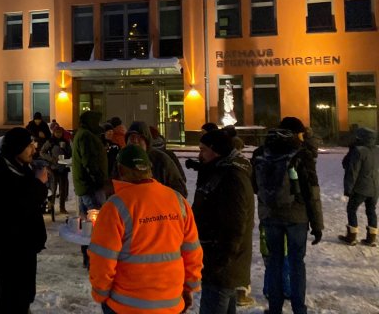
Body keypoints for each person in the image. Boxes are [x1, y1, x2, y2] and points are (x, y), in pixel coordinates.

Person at [88, 144, 203, 314]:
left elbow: (103, 259)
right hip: (171, 303)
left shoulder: (115, 206)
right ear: (149, 169)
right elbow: (192, 251)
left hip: (125, 305)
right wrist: (190, 286)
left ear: (120, 170)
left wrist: (100, 293)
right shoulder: (177, 200)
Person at [251, 117, 323, 314]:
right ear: (296, 133)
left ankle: (275, 308)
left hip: (269, 215)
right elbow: (311, 192)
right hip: (296, 217)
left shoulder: (260, 152)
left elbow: (255, 186)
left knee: (274, 262)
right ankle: (299, 309)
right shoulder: (301, 154)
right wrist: (317, 224)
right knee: (296, 263)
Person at [0, 127, 48, 314]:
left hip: (24, 245)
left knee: (23, 292)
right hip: (10, 246)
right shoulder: (2, 171)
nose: (33, 149)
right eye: (29, 146)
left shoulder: (19, 167)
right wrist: (39, 184)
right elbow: (17, 205)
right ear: (16, 148)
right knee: (11, 293)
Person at [193, 130, 255, 314]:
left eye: (203, 150)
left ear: (215, 150)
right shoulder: (220, 171)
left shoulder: (230, 177)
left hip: (222, 266)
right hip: (221, 263)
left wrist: (220, 262)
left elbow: (235, 225)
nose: (200, 155)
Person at [71, 111, 108, 268]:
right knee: (95, 223)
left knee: (87, 225)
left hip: (84, 186)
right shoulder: (86, 136)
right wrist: (99, 180)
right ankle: (93, 258)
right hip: (91, 187)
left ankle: (88, 257)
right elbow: (90, 161)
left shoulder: (83, 134)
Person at [126, 121, 187, 197]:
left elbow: (180, 189)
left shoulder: (161, 160)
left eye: (140, 138)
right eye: (132, 138)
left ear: (147, 141)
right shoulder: (122, 161)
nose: (135, 141)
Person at [339, 127, 378, 246]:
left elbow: (351, 170)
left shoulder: (358, 151)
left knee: (351, 209)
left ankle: (351, 236)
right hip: (375, 187)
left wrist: (348, 188)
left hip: (361, 187)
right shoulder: (377, 150)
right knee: (371, 210)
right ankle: (371, 237)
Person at [40, 125, 72, 214]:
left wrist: (65, 149)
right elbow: (42, 152)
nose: (58, 134)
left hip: (64, 167)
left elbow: (70, 153)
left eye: (60, 132)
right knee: (53, 189)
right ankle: (51, 207)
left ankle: (62, 207)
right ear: (53, 133)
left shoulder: (65, 141)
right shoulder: (50, 141)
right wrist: (52, 159)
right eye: (56, 132)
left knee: (63, 189)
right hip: (53, 168)